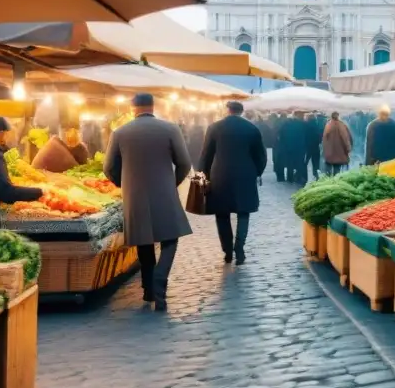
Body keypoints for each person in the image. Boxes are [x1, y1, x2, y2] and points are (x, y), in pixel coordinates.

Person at [104, 93, 193, 311]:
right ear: (153, 106)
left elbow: (108, 168)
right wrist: (172, 183)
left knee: (144, 242)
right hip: (165, 192)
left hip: (135, 196)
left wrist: (123, 184)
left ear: (132, 108)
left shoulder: (120, 132)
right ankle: (160, 278)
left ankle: (149, 290)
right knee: (170, 239)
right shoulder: (171, 129)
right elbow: (184, 163)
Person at [199, 101, 267, 265]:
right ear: (241, 111)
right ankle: (240, 248)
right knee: (243, 213)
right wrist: (257, 171)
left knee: (222, 214)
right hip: (245, 175)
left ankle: (227, 250)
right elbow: (261, 156)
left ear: (227, 110)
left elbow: (206, 155)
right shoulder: (251, 129)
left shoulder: (214, 127)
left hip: (220, 176)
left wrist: (205, 175)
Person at [278, 111, 309, 183]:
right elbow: (307, 136)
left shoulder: (287, 124)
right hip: (300, 147)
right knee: (300, 162)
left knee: (290, 163)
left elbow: (281, 135)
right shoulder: (304, 124)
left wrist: (284, 144)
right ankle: (299, 177)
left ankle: (290, 178)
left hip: (289, 147)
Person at [322, 111, 352, 175]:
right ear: (338, 116)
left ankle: (328, 181)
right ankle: (335, 181)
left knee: (328, 169)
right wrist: (348, 148)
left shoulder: (328, 124)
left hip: (329, 152)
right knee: (337, 169)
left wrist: (324, 150)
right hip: (338, 151)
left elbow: (324, 138)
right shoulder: (340, 125)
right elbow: (345, 138)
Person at [304, 113, 322, 180]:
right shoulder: (317, 125)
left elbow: (304, 136)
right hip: (316, 147)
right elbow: (320, 136)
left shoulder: (305, 125)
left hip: (308, 147)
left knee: (305, 162)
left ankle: (302, 176)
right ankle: (316, 176)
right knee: (316, 163)